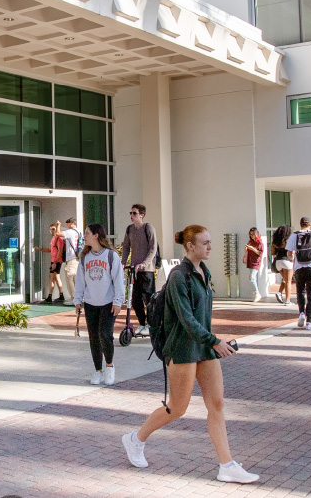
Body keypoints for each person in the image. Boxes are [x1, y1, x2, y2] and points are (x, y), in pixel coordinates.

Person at [120, 224, 258, 484]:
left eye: (210, 241)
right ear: (190, 246)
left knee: (216, 404)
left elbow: (203, 318)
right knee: (177, 408)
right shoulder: (178, 276)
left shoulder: (203, 272)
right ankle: (135, 439)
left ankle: (227, 465)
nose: (210, 246)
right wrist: (215, 341)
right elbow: (186, 319)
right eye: (204, 242)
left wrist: (213, 342)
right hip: (183, 349)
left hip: (204, 348)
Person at [75, 224, 125, 386]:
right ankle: (98, 370)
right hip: (90, 303)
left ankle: (109, 367)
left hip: (108, 303)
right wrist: (77, 300)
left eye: (87, 233)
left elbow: (118, 280)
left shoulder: (111, 256)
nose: (85, 236)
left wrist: (118, 301)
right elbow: (80, 282)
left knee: (105, 335)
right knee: (94, 337)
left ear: (96, 235)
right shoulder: (85, 258)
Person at [121, 205, 159, 336]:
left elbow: (153, 249)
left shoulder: (148, 228)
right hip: (134, 270)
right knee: (135, 299)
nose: (132, 215)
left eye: (135, 213)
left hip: (146, 270)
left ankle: (150, 325)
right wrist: (122, 263)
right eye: (130, 213)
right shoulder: (129, 229)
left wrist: (144, 263)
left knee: (148, 299)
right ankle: (142, 323)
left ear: (142, 215)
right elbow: (126, 247)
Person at [284, 217, 311, 330]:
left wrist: (293, 258)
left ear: (300, 224)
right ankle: (309, 322)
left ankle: (302, 312)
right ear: (310, 224)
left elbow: (289, 253)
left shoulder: (294, 236)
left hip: (299, 268)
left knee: (300, 292)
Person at [34, 222, 66, 304]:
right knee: (52, 277)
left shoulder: (59, 239)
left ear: (56, 229)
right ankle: (52, 295)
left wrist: (55, 262)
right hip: (53, 261)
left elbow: (60, 251)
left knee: (56, 276)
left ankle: (58, 295)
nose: (52, 231)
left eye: (53, 229)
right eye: (51, 229)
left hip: (57, 261)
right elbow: (49, 250)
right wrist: (40, 249)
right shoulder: (53, 239)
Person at [59, 218, 82, 303]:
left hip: (71, 258)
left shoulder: (70, 232)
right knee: (75, 278)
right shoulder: (78, 232)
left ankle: (74, 298)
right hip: (77, 257)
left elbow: (58, 234)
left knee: (69, 277)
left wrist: (58, 225)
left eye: (68, 223)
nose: (67, 225)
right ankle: (78, 297)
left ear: (72, 223)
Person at [242, 227, 266, 302]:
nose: (252, 236)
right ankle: (256, 293)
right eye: (251, 235)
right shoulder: (250, 242)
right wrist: (246, 249)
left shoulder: (260, 243)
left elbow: (260, 253)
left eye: (253, 234)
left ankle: (257, 293)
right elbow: (247, 251)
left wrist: (252, 248)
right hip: (250, 261)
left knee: (252, 277)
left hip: (256, 262)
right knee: (252, 278)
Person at [270, 226, 292, 305]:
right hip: (287, 261)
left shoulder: (275, 242)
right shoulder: (288, 241)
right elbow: (291, 252)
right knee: (288, 281)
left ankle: (279, 292)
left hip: (278, 262)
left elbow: (272, 253)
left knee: (285, 279)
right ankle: (287, 301)